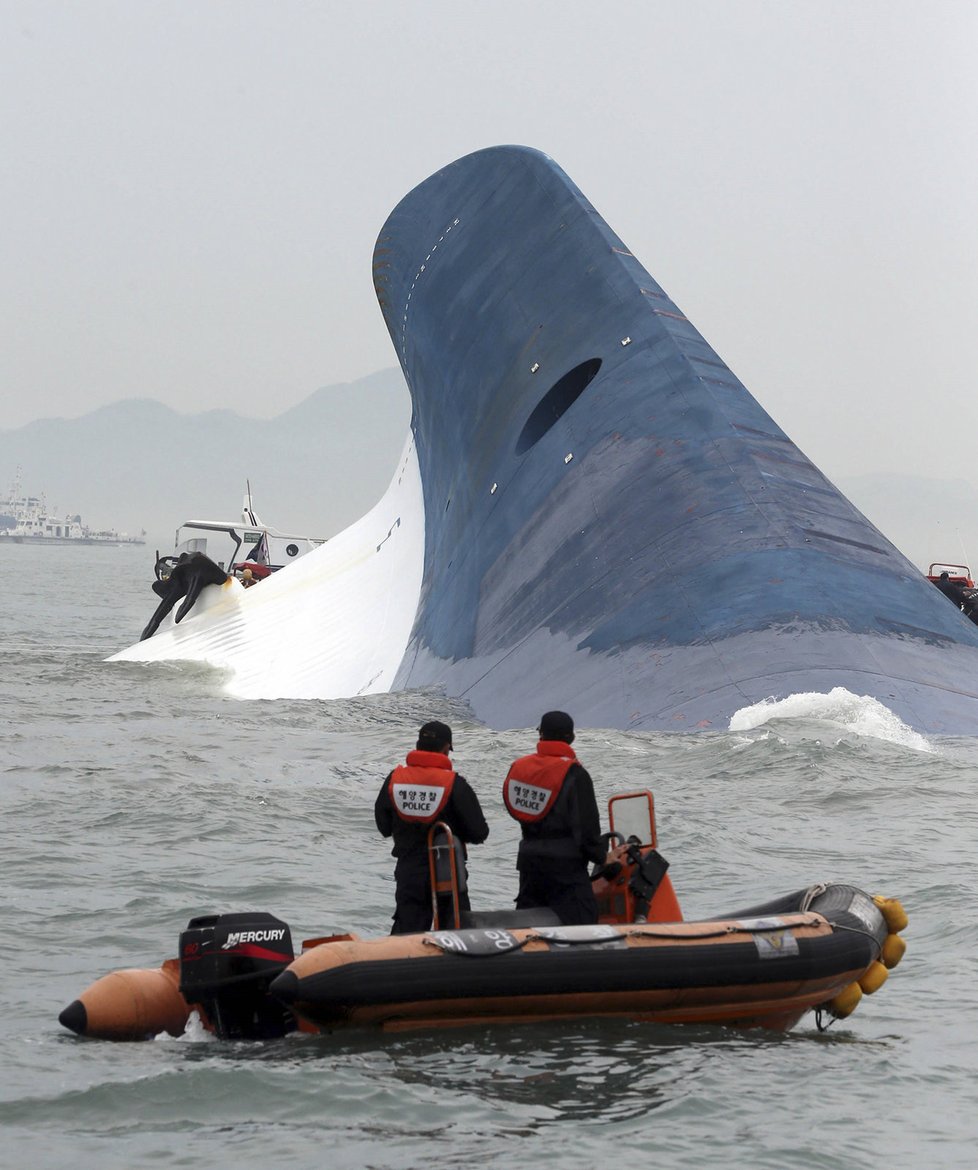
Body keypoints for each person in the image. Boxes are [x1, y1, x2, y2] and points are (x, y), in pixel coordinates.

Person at [375, 720, 489, 934]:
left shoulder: (394, 779)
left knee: (406, 932)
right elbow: (479, 832)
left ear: (417, 745)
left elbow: (383, 826)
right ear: (446, 749)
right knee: (456, 933)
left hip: (409, 871)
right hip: (448, 871)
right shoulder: (455, 784)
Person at [502, 710, 606, 925]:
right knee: (584, 923)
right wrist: (603, 858)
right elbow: (587, 830)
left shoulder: (518, 767)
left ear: (541, 735)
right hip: (566, 869)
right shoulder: (575, 774)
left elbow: (516, 808)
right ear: (571, 737)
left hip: (528, 864)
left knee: (527, 928)